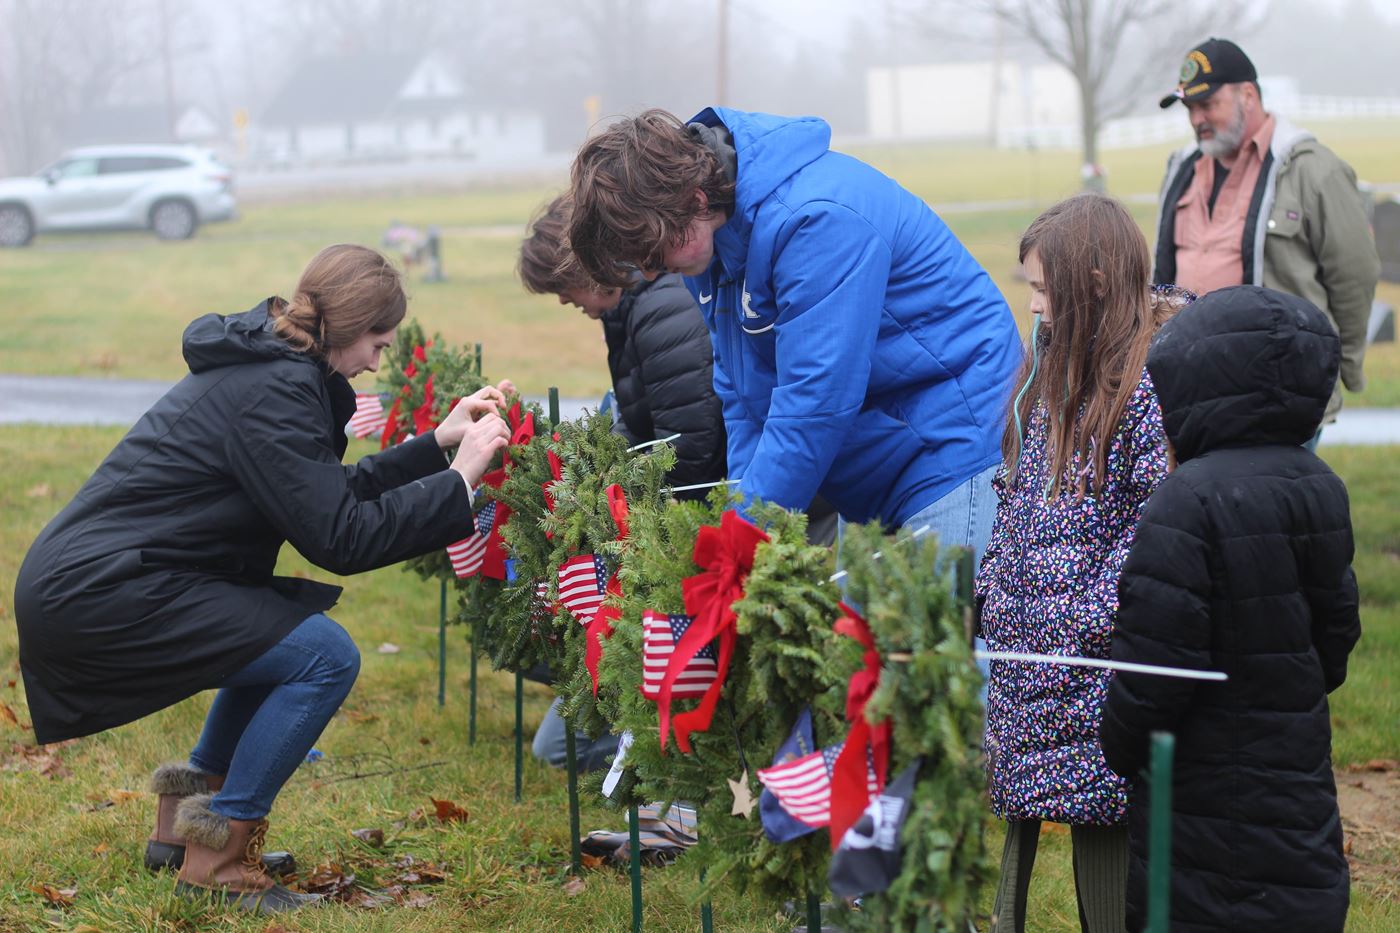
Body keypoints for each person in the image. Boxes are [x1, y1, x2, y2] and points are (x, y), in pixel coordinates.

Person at [12, 244, 511, 914]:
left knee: (275, 631)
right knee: (324, 657)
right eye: (377, 343)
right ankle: (217, 859)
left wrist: (436, 444)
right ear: (349, 326)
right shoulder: (274, 390)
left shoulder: (276, 372)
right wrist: (460, 479)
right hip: (103, 589)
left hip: (115, 575)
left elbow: (322, 495)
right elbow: (342, 537)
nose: (376, 361)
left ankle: (178, 833)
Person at [567, 108, 1022, 554]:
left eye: (651, 251)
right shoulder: (708, 243)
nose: (649, 274)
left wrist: (747, 539)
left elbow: (816, 397)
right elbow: (742, 397)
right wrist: (744, 519)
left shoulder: (816, 217)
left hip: (952, 448)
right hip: (878, 462)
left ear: (694, 200)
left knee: (931, 629)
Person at [1100, 285, 1360, 932]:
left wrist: (1119, 742)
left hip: (1199, 809)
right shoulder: (1320, 486)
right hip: (1296, 786)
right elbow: (1337, 635)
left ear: (1194, 384)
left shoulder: (1183, 502)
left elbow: (1154, 670)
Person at [974, 194, 1191, 932]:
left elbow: (1153, 526)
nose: (1032, 304)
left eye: (1043, 287)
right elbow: (1018, 501)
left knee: (1102, 826)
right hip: (1027, 657)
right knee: (1017, 833)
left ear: (1093, 282)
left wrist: (1075, 622)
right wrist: (994, 591)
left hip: (1094, 667)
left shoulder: (1146, 386)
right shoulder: (1046, 375)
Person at [1154, 37, 1380, 434]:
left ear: (1248, 95)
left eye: (1207, 105)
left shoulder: (1313, 170)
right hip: (1190, 389)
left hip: (1278, 392)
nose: (1196, 119)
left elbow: (1354, 276)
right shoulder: (1180, 168)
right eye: (1190, 108)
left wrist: (1338, 368)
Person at [519, 194, 727, 498]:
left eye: (559, 286)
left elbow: (687, 451)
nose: (563, 299)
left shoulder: (659, 311)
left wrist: (611, 499)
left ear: (582, 267)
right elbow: (639, 422)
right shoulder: (630, 310)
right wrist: (587, 466)